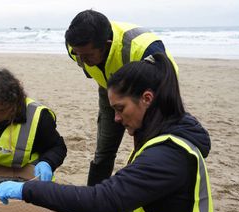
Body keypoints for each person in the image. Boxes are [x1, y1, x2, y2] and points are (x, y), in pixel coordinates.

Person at [0, 53, 217, 212]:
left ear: (147, 99)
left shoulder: (167, 156)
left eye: (120, 109)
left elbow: (101, 201)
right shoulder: (166, 141)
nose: (117, 119)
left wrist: (27, 191)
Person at [65, 9, 178, 186]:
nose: (82, 59)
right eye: (78, 54)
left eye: (87, 55)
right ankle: (93, 202)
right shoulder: (75, 47)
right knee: (104, 150)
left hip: (152, 94)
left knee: (145, 148)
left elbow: (166, 87)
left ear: (107, 44)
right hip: (109, 89)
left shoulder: (143, 49)